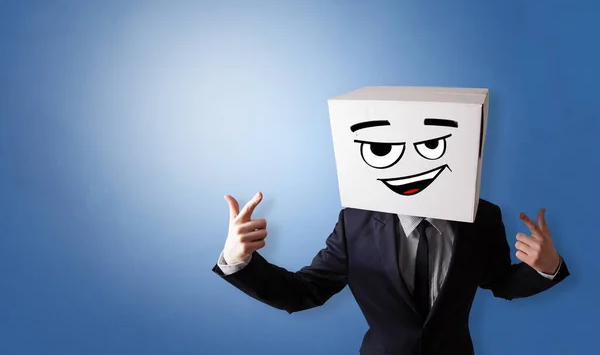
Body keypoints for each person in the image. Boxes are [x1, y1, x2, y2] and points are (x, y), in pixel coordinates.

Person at [211, 86, 570, 354]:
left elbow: (501, 282)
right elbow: (305, 292)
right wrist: (239, 261)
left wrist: (545, 268)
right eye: (383, 149)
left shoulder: (483, 217)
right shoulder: (356, 223)